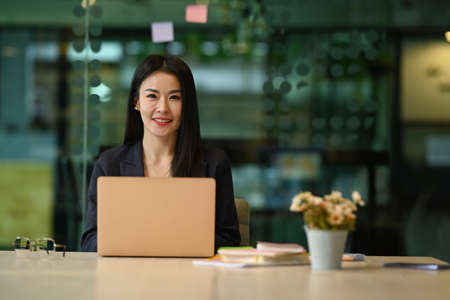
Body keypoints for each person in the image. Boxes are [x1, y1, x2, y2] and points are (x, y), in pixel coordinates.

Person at [81, 54, 241, 252]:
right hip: (127, 279)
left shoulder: (215, 163)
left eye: (174, 97)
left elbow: (230, 241)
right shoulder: (109, 165)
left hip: (192, 279)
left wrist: (170, 241)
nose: (163, 108)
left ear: (187, 105)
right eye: (152, 96)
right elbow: (89, 242)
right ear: (136, 102)